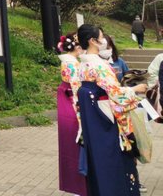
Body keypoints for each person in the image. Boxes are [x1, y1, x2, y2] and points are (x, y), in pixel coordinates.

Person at [77, 24, 148, 196]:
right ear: (93, 41)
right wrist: (135, 89)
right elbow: (116, 95)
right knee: (115, 157)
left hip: (92, 116)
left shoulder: (82, 64)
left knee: (99, 158)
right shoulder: (100, 65)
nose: (103, 41)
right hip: (105, 117)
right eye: (101, 37)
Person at [56, 33, 88, 196]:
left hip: (66, 99)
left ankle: (75, 185)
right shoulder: (73, 64)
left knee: (70, 142)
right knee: (77, 141)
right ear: (77, 47)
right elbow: (77, 87)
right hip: (73, 101)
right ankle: (79, 186)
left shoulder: (69, 61)